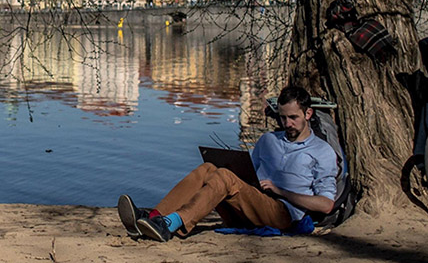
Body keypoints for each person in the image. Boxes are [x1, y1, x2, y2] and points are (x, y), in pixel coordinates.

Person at [117, 86, 338, 242]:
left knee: (224, 177)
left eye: (293, 118)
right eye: (282, 117)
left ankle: (170, 224)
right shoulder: (268, 140)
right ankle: (154, 218)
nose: (287, 123)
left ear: (308, 113)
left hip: (283, 214)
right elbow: (247, 175)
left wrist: (280, 191)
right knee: (208, 169)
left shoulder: (322, 151)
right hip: (251, 204)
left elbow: (326, 204)